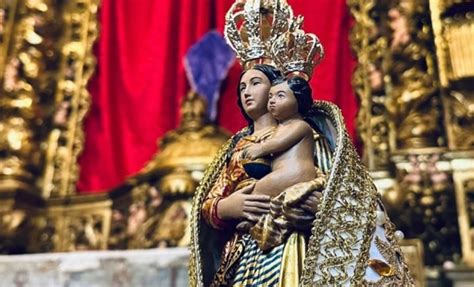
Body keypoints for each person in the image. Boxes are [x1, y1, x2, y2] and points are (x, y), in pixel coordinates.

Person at [190, 1, 414, 286]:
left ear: (277, 90)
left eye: (256, 83)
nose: (247, 92)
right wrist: (227, 207)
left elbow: (346, 196)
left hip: (297, 245)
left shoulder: (312, 134)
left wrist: (319, 207)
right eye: (242, 87)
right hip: (244, 250)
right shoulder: (238, 145)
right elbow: (210, 202)